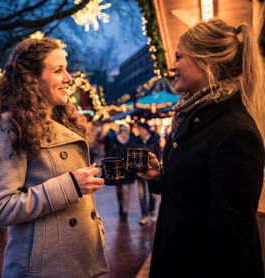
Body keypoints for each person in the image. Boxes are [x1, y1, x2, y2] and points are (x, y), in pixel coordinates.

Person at [139, 18, 265, 277]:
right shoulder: (196, 116)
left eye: (179, 57)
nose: (171, 66)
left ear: (209, 64)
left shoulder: (235, 132)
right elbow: (197, 192)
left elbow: (230, 238)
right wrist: (160, 176)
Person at [0, 37, 108, 277]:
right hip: (44, 267)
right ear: (32, 79)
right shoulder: (9, 127)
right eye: (58, 70)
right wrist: (70, 185)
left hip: (77, 258)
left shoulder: (62, 121)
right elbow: (2, 208)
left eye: (66, 68)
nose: (69, 77)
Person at [107, 125, 136, 221]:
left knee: (126, 191)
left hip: (127, 172)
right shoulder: (114, 142)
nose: (124, 135)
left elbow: (134, 156)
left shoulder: (131, 142)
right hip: (117, 170)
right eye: (122, 133)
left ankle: (125, 211)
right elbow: (109, 154)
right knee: (119, 191)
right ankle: (121, 204)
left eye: (125, 133)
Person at [135, 122, 161, 225]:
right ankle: (144, 215)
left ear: (146, 130)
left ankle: (152, 211)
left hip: (151, 174)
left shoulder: (154, 141)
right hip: (140, 174)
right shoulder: (136, 141)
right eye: (139, 129)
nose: (140, 131)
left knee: (153, 194)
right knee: (141, 196)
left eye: (142, 129)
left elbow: (158, 155)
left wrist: (155, 166)